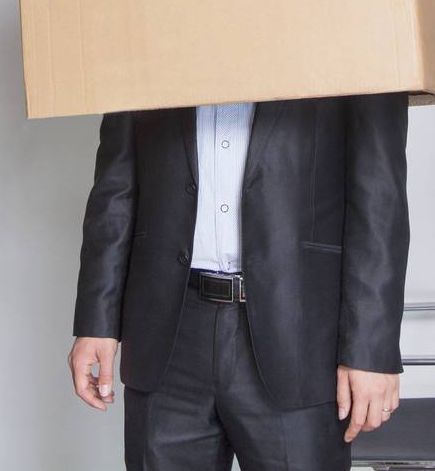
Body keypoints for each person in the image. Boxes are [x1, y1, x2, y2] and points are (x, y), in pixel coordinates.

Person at [68, 96, 409, 470]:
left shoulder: (353, 42)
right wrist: (96, 321)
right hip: (167, 335)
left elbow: (380, 198)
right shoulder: (145, 42)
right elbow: (115, 190)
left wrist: (371, 350)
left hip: (299, 336)